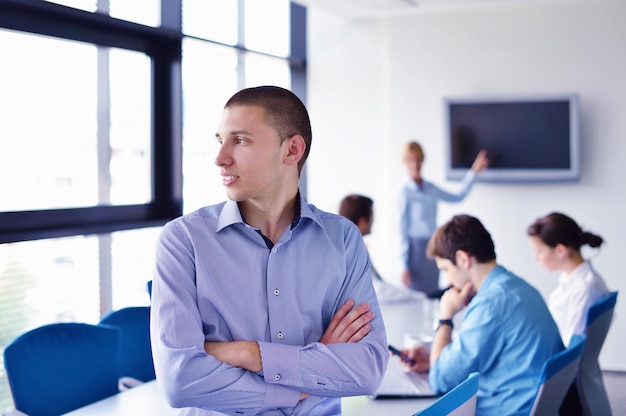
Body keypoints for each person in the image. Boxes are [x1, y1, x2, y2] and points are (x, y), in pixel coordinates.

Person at [150, 86, 389, 415]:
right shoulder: (183, 241)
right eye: (221, 140)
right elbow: (180, 380)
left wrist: (250, 354)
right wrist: (307, 378)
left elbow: (367, 370)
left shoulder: (343, 239)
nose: (220, 158)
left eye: (241, 140)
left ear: (291, 150)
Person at [398, 214, 563, 415]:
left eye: (446, 269)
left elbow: (441, 380)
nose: (449, 281)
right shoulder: (519, 287)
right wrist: (432, 354)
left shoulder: (491, 303)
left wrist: (445, 317)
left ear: (462, 259)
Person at [527, 212, 610, 416]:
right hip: (571, 374)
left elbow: (569, 352)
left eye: (539, 251)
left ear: (560, 250)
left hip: (565, 384)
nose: (535, 258)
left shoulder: (585, 288)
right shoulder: (573, 280)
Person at [399, 141, 488, 296]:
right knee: (416, 297)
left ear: (422, 160)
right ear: (405, 163)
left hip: (432, 247)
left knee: (433, 294)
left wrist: (473, 173)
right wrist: (403, 265)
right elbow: (401, 230)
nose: (415, 164)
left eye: (418, 159)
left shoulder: (431, 188)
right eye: (411, 160)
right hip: (415, 252)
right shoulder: (404, 192)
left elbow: (457, 196)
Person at [338, 194, 425, 303]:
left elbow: (379, 284)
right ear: (363, 221)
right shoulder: (353, 251)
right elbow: (377, 289)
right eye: (372, 216)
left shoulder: (346, 246)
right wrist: (420, 297)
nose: (373, 220)